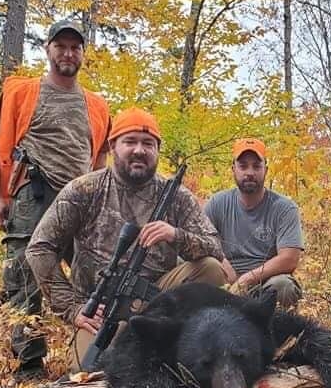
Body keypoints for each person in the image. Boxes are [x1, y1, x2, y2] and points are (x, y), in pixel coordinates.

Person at [25, 107, 227, 368]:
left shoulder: (176, 195)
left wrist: (175, 235)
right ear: (112, 146)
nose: (139, 150)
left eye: (148, 143)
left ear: (157, 150)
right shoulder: (84, 189)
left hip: (158, 300)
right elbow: (39, 248)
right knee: (85, 370)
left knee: (210, 268)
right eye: (130, 141)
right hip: (100, 310)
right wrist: (73, 308)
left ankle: (173, 333)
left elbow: (215, 248)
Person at [0, 18, 111, 381]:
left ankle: (92, 355)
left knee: (96, 275)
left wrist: (100, 201)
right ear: (48, 49)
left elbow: (99, 157)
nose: (68, 53)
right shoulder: (20, 92)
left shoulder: (97, 105)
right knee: (24, 273)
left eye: (75, 47)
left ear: (83, 53)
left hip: (80, 201)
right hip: (33, 194)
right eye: (61, 46)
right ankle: (30, 366)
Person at [204, 138, 304, 307]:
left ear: (266, 169)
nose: (249, 172)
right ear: (233, 169)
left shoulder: (285, 208)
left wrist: (246, 280)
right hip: (224, 280)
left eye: (256, 166)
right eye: (243, 166)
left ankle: (278, 332)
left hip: (264, 282)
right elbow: (201, 243)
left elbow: (289, 259)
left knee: (284, 285)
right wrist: (226, 269)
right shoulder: (217, 203)